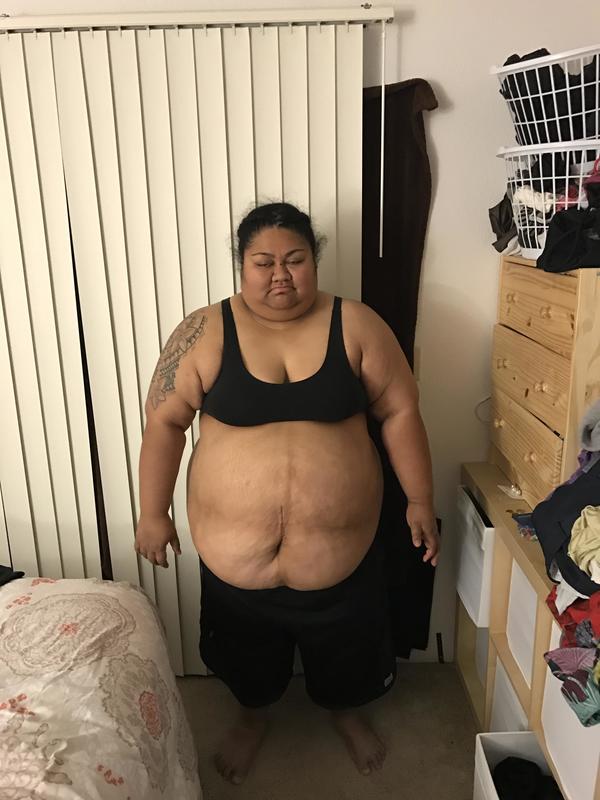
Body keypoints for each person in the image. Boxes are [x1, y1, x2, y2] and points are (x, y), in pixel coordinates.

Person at [135, 202, 440, 785]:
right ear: (242, 266)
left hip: (341, 559)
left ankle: (346, 711)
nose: (280, 274)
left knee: (349, 648)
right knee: (244, 653)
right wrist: (154, 512)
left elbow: (401, 411)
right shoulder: (204, 330)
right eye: (264, 262)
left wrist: (420, 500)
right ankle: (252, 717)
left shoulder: (356, 324)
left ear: (314, 261)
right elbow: (165, 422)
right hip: (235, 564)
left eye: (295, 259)